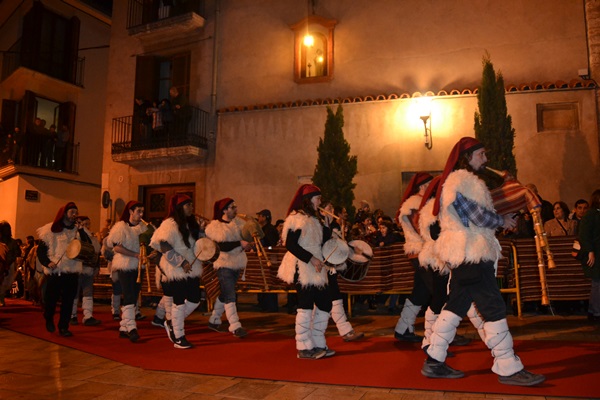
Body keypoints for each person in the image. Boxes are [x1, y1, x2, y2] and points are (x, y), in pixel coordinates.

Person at [423, 136, 545, 386]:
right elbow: (476, 216)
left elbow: (476, 216)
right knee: (493, 307)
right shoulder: (461, 181)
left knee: (455, 307)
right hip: (472, 254)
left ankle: (434, 360)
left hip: (464, 254)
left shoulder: (461, 181)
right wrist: (502, 221)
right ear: (467, 158)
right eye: (481, 155)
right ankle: (508, 367)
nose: (486, 159)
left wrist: (503, 214)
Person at [277, 184, 333, 359]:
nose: (320, 202)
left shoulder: (314, 219)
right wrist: (311, 258)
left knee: (325, 303)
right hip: (301, 266)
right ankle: (303, 347)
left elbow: (322, 241)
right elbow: (290, 244)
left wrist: (328, 225)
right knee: (306, 306)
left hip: (315, 266)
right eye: (318, 199)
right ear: (308, 201)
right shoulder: (296, 218)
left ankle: (317, 342)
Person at [150, 194, 203, 349]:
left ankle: (171, 322)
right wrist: (181, 262)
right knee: (178, 302)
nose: (191, 208)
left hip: (192, 267)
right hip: (175, 268)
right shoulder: (169, 224)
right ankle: (179, 336)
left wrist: (203, 231)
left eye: (191, 205)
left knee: (195, 300)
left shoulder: (191, 223)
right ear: (180, 208)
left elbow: (199, 243)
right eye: (188, 205)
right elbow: (164, 245)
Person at [393, 172, 434, 342]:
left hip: (420, 253)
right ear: (423, 187)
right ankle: (439, 335)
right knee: (437, 292)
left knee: (421, 292)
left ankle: (402, 329)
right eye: (431, 185)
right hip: (421, 253)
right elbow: (423, 230)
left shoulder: (418, 203)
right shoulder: (415, 204)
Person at [320, 201, 365, 343]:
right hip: (319, 267)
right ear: (321, 211)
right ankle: (312, 333)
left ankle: (345, 330)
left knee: (334, 297)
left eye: (332, 207)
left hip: (328, 267)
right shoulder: (319, 226)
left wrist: (351, 249)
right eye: (328, 208)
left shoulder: (331, 226)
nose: (331, 210)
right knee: (325, 299)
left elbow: (337, 244)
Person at [205, 197, 250, 338]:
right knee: (230, 294)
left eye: (235, 206)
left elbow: (245, 240)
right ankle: (235, 325)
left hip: (237, 262)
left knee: (225, 293)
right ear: (224, 210)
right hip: (223, 263)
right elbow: (221, 246)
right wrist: (239, 243)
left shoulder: (239, 224)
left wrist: (248, 244)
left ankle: (214, 320)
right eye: (232, 207)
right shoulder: (214, 226)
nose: (236, 209)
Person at [36, 203, 82, 337]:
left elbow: (86, 246)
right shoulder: (50, 230)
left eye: (76, 212)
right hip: (55, 271)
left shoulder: (78, 231)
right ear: (64, 213)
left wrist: (83, 231)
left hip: (72, 270)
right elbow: (41, 251)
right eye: (72, 212)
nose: (75, 214)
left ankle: (63, 327)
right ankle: (49, 318)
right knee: (50, 300)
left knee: (68, 301)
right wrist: (47, 262)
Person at [106, 201, 149, 343]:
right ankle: (132, 328)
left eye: (142, 212)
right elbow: (117, 248)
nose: (141, 215)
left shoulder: (144, 228)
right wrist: (135, 255)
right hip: (124, 265)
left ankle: (123, 328)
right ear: (130, 211)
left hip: (138, 266)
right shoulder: (121, 227)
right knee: (129, 295)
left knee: (134, 294)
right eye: (138, 211)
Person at [70, 216, 102, 326]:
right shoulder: (76, 235)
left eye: (89, 224)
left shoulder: (93, 238)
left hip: (89, 269)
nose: (88, 226)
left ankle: (88, 316)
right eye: (85, 224)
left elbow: (96, 254)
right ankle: (72, 315)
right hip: (77, 268)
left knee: (88, 292)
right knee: (74, 292)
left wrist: (97, 267)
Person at [578, 189, 600, 323]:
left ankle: (592, 311)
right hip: (595, 254)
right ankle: (596, 312)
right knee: (597, 283)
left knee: (597, 284)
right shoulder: (591, 215)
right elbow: (584, 235)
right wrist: (590, 251)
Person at [256, 209, 280, 312]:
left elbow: (271, 246)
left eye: (260, 216)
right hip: (266, 258)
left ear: (265, 217)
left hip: (270, 259)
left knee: (269, 281)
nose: (258, 218)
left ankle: (270, 306)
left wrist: (266, 249)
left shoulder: (269, 229)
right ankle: (264, 304)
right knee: (264, 281)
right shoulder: (264, 229)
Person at [0, 221, 22, 306]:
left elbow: (17, 253)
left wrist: (9, 262)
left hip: (9, 264)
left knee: (6, 283)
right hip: (1, 263)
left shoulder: (13, 242)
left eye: (8, 229)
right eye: (4, 229)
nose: (6, 231)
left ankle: (1, 298)